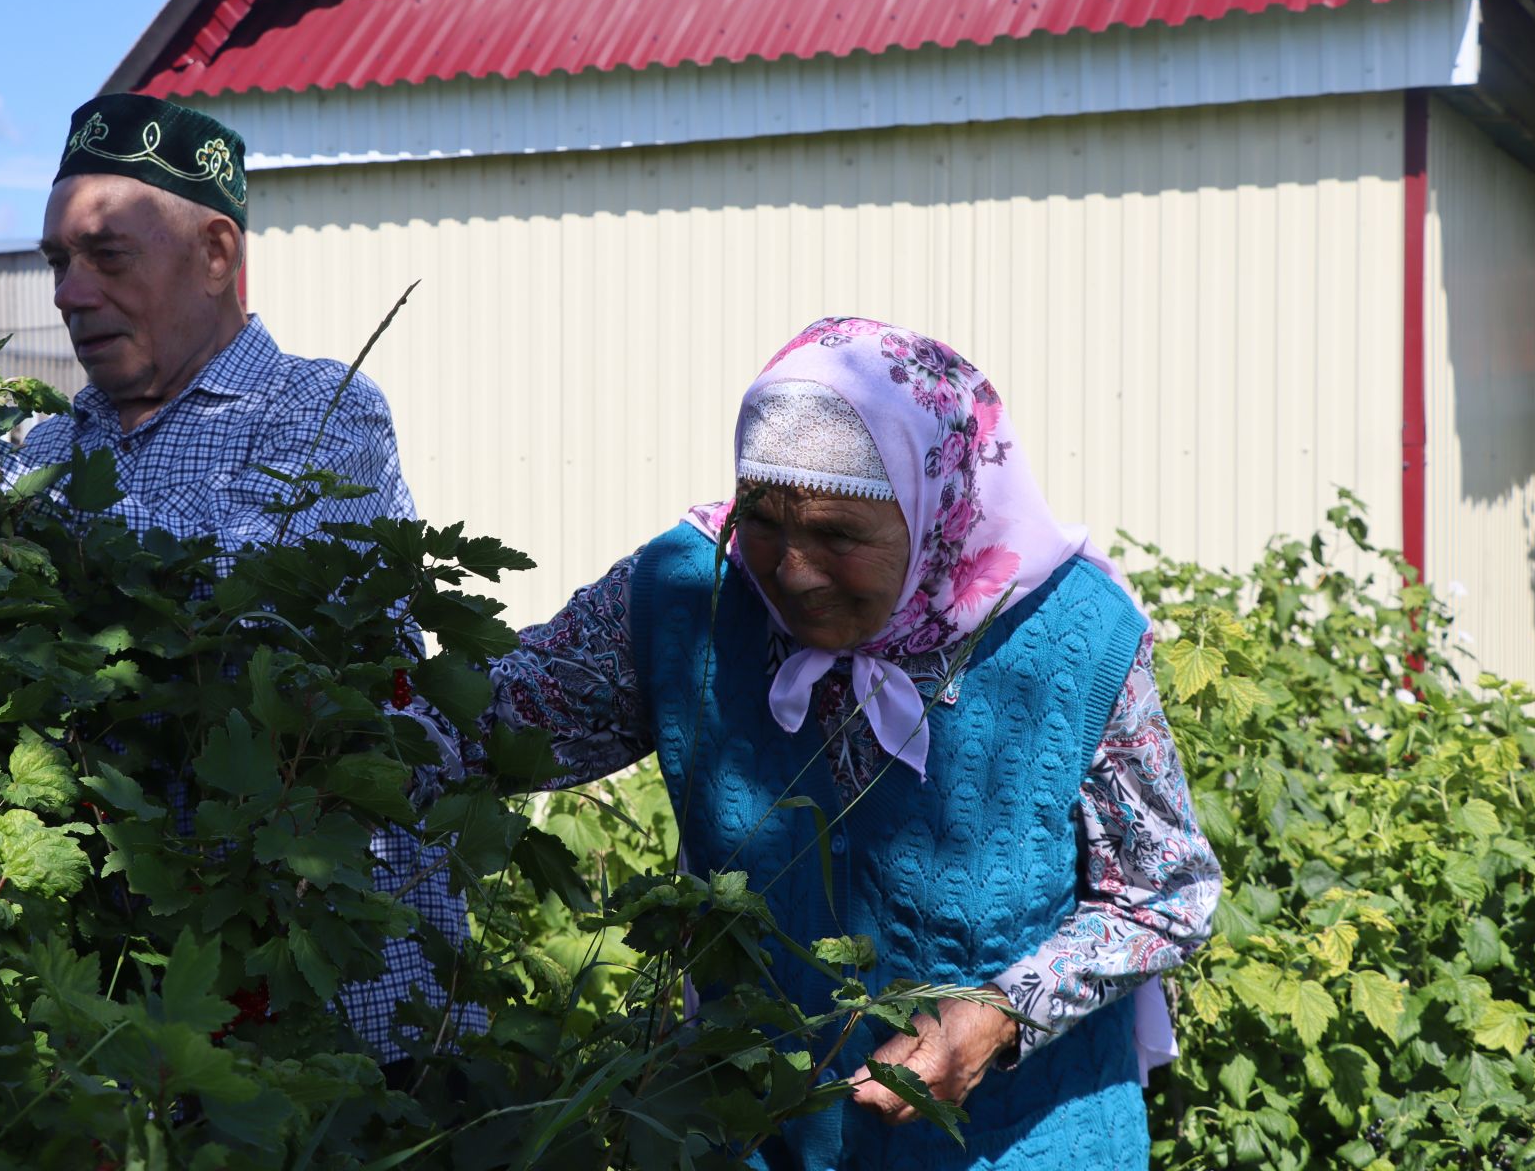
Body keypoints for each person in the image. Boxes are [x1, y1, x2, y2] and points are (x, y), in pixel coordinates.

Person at [0, 92, 478, 1067]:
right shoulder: (49, 445)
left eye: (108, 256)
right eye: (57, 261)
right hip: (119, 1028)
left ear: (216, 252)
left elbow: (242, 614)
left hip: (337, 1033)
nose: (68, 292)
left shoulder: (321, 411)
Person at [481, 317, 1221, 1167]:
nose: (790, 568)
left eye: (838, 535)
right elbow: (485, 728)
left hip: (1022, 1141)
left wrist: (1002, 1012)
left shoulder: (1072, 639)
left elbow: (1168, 892)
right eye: (760, 518)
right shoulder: (690, 593)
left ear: (939, 513)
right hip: (755, 1136)